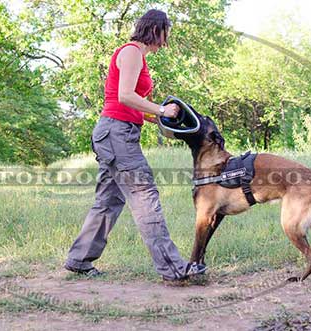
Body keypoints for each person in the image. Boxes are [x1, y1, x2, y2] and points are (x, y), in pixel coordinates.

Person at [64, 9, 207, 281]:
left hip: (118, 131)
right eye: (166, 33)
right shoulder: (131, 52)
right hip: (117, 133)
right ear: (156, 29)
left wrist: (162, 121)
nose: (166, 40)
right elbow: (125, 96)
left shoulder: (140, 57)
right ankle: (174, 269)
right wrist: (163, 111)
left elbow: (133, 106)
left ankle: (79, 260)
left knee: (108, 200)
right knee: (144, 196)